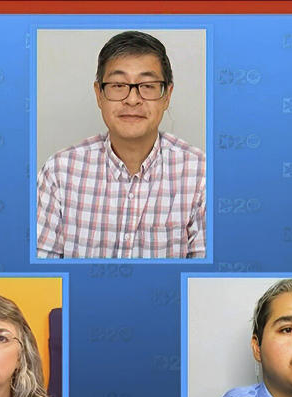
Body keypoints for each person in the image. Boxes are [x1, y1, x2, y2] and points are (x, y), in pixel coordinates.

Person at [36, 31, 205, 259]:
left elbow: (202, 272)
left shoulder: (201, 174)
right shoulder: (59, 171)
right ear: (99, 94)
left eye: (147, 85)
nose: (132, 99)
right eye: (118, 85)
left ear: (167, 95)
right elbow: (44, 272)